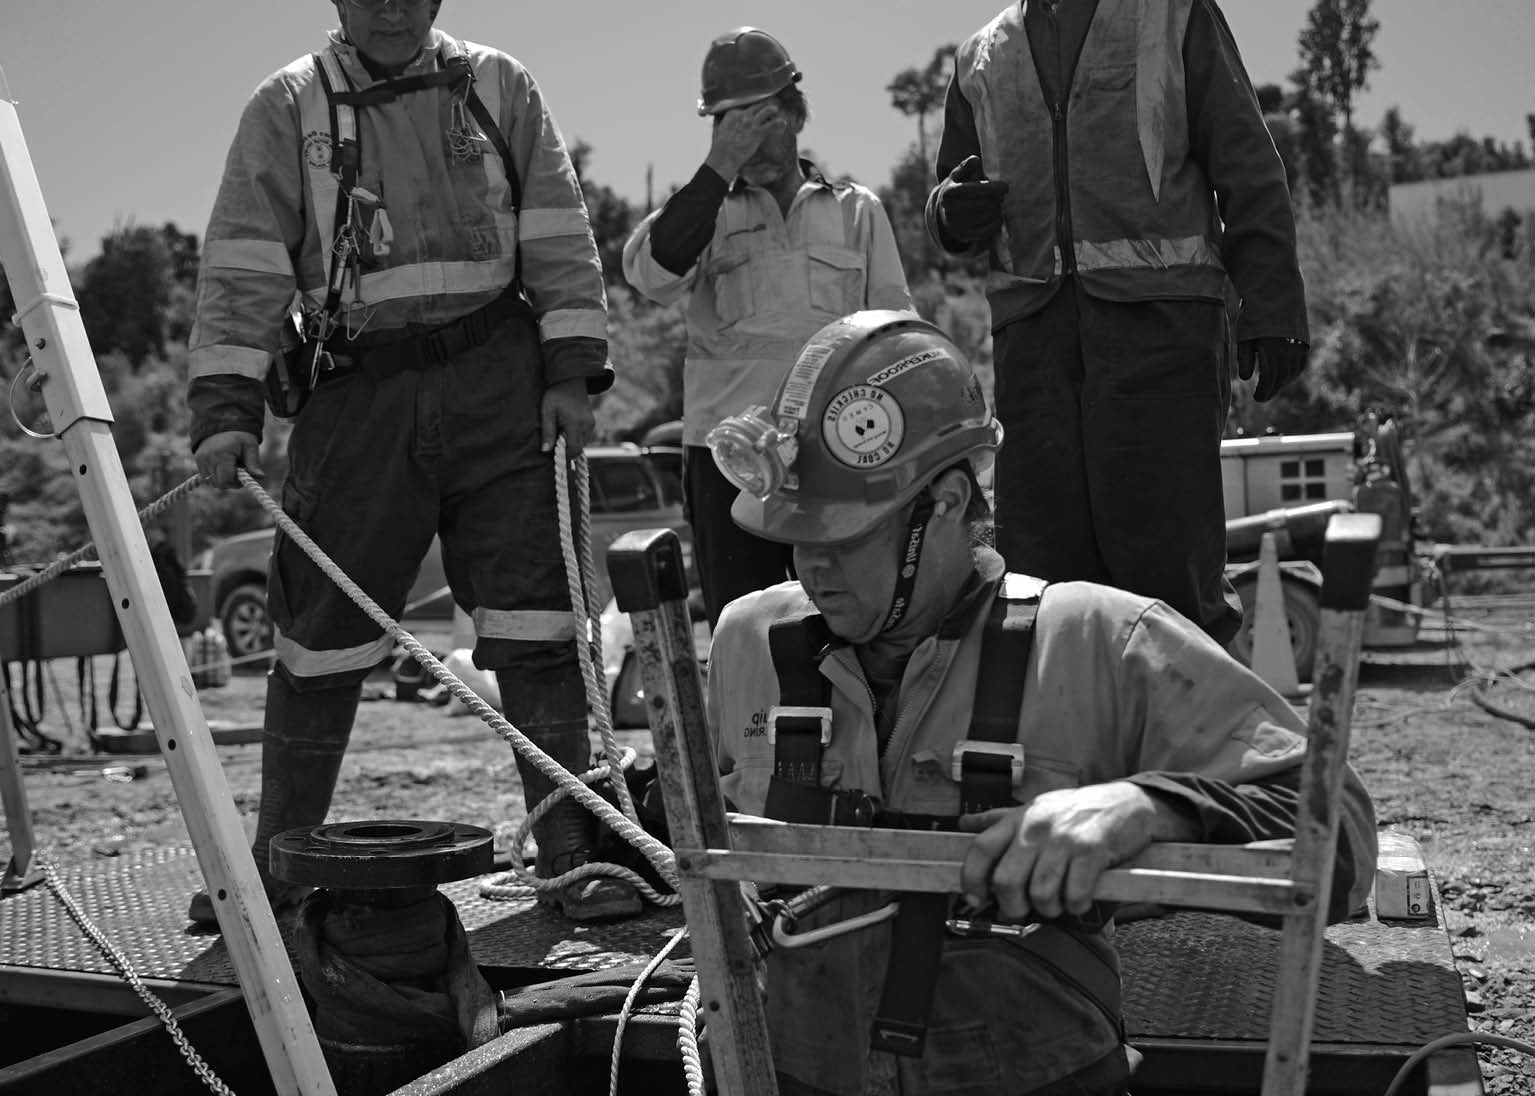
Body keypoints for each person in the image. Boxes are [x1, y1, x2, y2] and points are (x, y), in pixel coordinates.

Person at [704, 311, 1376, 1096]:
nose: (812, 567)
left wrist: (1145, 808)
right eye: (796, 534)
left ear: (948, 502)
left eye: (845, 536)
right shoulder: (749, 641)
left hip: (1038, 1075)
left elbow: (1339, 842)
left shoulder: (1099, 640)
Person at [185, 0, 639, 925]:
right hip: (358, 398)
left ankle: (569, 855)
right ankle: (279, 873)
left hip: (500, 387)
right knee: (318, 639)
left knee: (540, 628)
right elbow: (243, 269)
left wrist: (571, 375)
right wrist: (228, 411)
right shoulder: (288, 107)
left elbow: (557, 231)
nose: (390, 6)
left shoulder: (499, 85)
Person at [925, 0, 1310, 647]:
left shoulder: (1169, 14)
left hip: (1160, 332)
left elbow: (1244, 158)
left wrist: (1270, 298)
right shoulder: (980, 56)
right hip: (1032, 345)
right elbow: (948, 191)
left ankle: (1188, 742)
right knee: (1043, 581)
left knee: (1165, 571)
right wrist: (948, 213)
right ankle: (1068, 744)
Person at [622, 27, 915, 627]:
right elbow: (650, 275)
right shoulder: (703, 211)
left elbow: (895, 332)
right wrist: (717, 167)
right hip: (725, 462)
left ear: (794, 114)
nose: (745, 138)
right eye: (727, 123)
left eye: (758, 119)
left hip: (833, 454)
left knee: (851, 618)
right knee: (743, 623)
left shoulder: (855, 209)